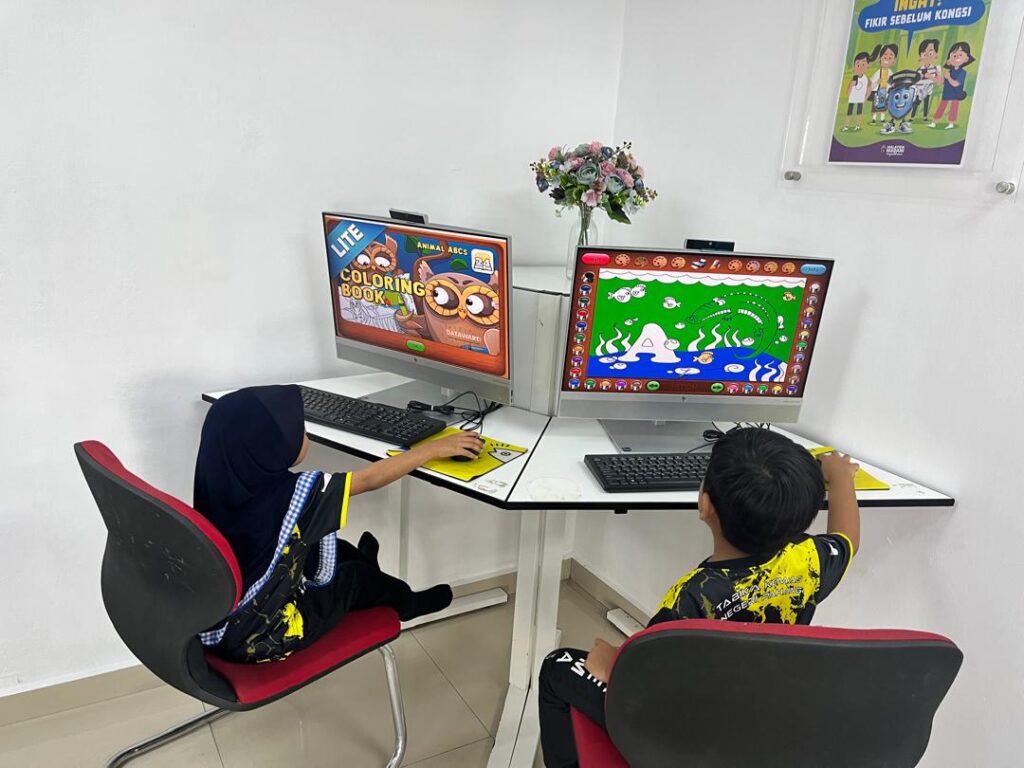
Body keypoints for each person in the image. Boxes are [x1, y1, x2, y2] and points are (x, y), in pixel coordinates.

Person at [537, 427, 861, 767]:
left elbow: (646, 681)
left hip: (684, 732)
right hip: (759, 720)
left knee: (558, 665)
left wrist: (612, 661)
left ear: (705, 504)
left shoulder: (690, 598)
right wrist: (841, 478)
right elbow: (847, 537)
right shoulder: (811, 561)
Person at [193, 384, 484, 662]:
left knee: (335, 549)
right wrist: (432, 449)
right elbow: (369, 480)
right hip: (263, 634)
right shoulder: (294, 494)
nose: (305, 434)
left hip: (221, 614)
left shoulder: (221, 481)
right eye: (300, 430)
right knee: (353, 579)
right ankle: (408, 603)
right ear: (273, 449)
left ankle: (370, 570)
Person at [933, 41, 976, 130]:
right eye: (954, 55)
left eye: (960, 55)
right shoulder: (949, 71)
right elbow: (941, 82)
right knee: (941, 107)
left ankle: (951, 123)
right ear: (949, 60)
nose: (956, 57)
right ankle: (934, 122)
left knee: (954, 108)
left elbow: (956, 83)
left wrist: (949, 78)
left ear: (966, 59)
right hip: (947, 92)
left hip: (956, 94)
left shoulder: (962, 72)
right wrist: (939, 73)